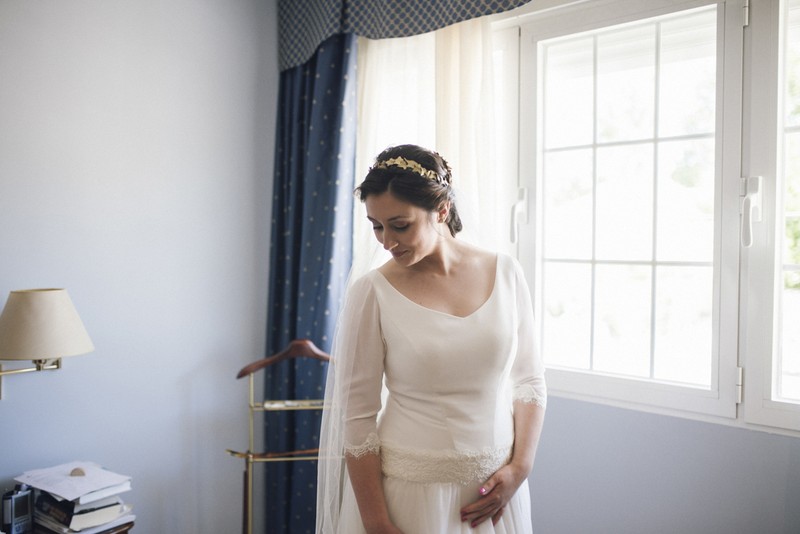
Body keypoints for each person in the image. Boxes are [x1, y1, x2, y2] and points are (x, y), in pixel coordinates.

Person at [316, 144, 546, 533]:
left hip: (497, 492)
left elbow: (529, 381)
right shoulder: (372, 293)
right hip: (411, 498)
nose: (387, 241)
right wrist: (376, 522)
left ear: (441, 210)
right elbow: (357, 418)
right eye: (376, 226)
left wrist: (520, 468)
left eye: (399, 225)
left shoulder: (506, 273)